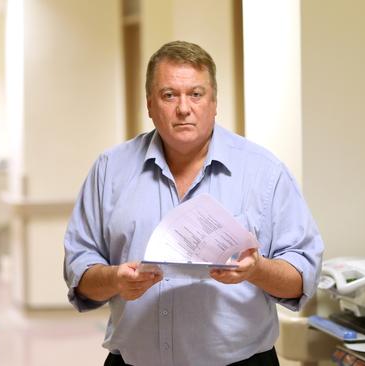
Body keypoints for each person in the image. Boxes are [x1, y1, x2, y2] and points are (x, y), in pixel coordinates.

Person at [63, 40, 324, 366]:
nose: (183, 108)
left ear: (214, 103)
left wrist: (256, 270)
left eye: (196, 94)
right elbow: (79, 270)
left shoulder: (264, 172)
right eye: (169, 95)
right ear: (149, 104)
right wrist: (114, 279)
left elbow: (303, 274)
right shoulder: (109, 170)